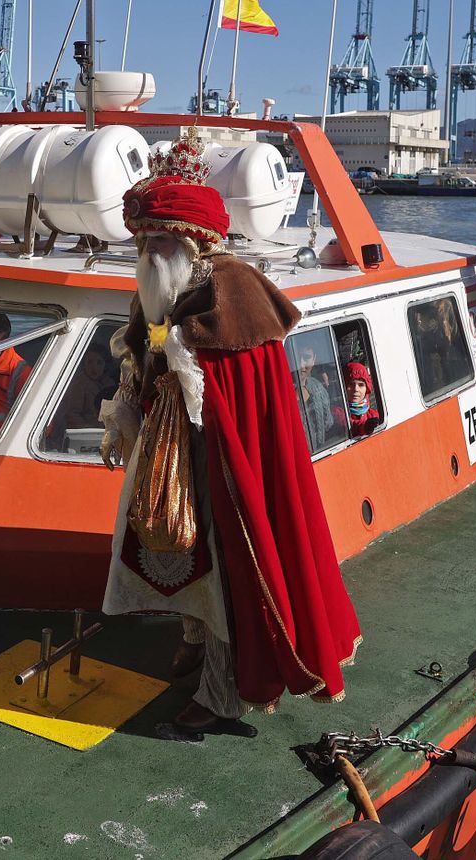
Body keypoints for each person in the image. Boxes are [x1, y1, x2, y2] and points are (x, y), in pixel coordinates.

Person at [99, 130, 361, 736]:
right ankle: (193, 637)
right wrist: (128, 412)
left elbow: (234, 393)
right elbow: (143, 353)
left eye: (161, 241)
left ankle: (221, 694)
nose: (149, 254)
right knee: (175, 546)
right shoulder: (159, 287)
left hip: (221, 459)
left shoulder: (232, 289)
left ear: (194, 241)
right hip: (171, 449)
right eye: (144, 242)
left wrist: (180, 360)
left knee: (225, 571)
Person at [295, 345, 337, 447]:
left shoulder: (319, 388)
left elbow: (328, 425)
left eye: (306, 357)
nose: (301, 364)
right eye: (296, 357)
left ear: (314, 360)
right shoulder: (280, 393)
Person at [343, 361, 382, 438]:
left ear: (367, 389)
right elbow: (350, 426)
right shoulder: (339, 412)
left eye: (361, 385)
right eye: (351, 384)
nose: (356, 389)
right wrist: (364, 428)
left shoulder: (373, 414)